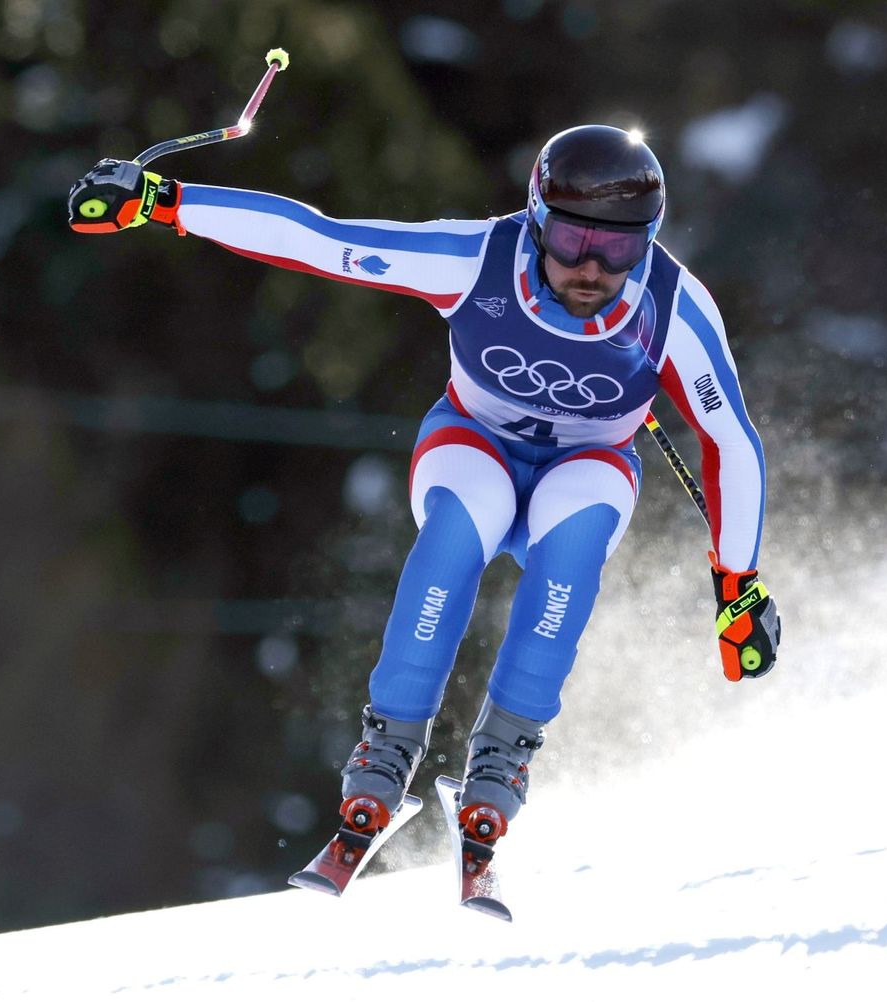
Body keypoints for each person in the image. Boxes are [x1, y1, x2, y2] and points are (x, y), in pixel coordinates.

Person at [67, 124, 780, 858]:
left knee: (570, 551)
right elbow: (320, 239)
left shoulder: (674, 308)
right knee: (453, 540)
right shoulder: (473, 260)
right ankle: (387, 752)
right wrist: (165, 201)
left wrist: (739, 587)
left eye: (620, 248)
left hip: (590, 461)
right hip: (474, 443)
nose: (592, 268)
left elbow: (732, 440)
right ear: (537, 219)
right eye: (571, 241)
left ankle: (503, 761)